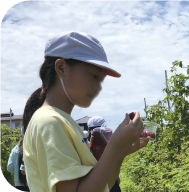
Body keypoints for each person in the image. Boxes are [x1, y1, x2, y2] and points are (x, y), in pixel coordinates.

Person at [22, 31, 151, 192]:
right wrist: (115, 146)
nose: (98, 87)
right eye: (92, 75)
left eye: (100, 79)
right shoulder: (49, 122)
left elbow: (103, 186)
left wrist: (121, 153)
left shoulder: (65, 121)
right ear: (61, 67)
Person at [87, 117, 121, 191]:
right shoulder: (110, 144)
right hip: (111, 182)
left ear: (88, 130)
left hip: (92, 184)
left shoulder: (84, 146)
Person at [7, 126, 30, 192]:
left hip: (18, 183)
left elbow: (9, 167)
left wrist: (17, 172)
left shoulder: (15, 149)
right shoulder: (32, 148)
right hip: (31, 182)